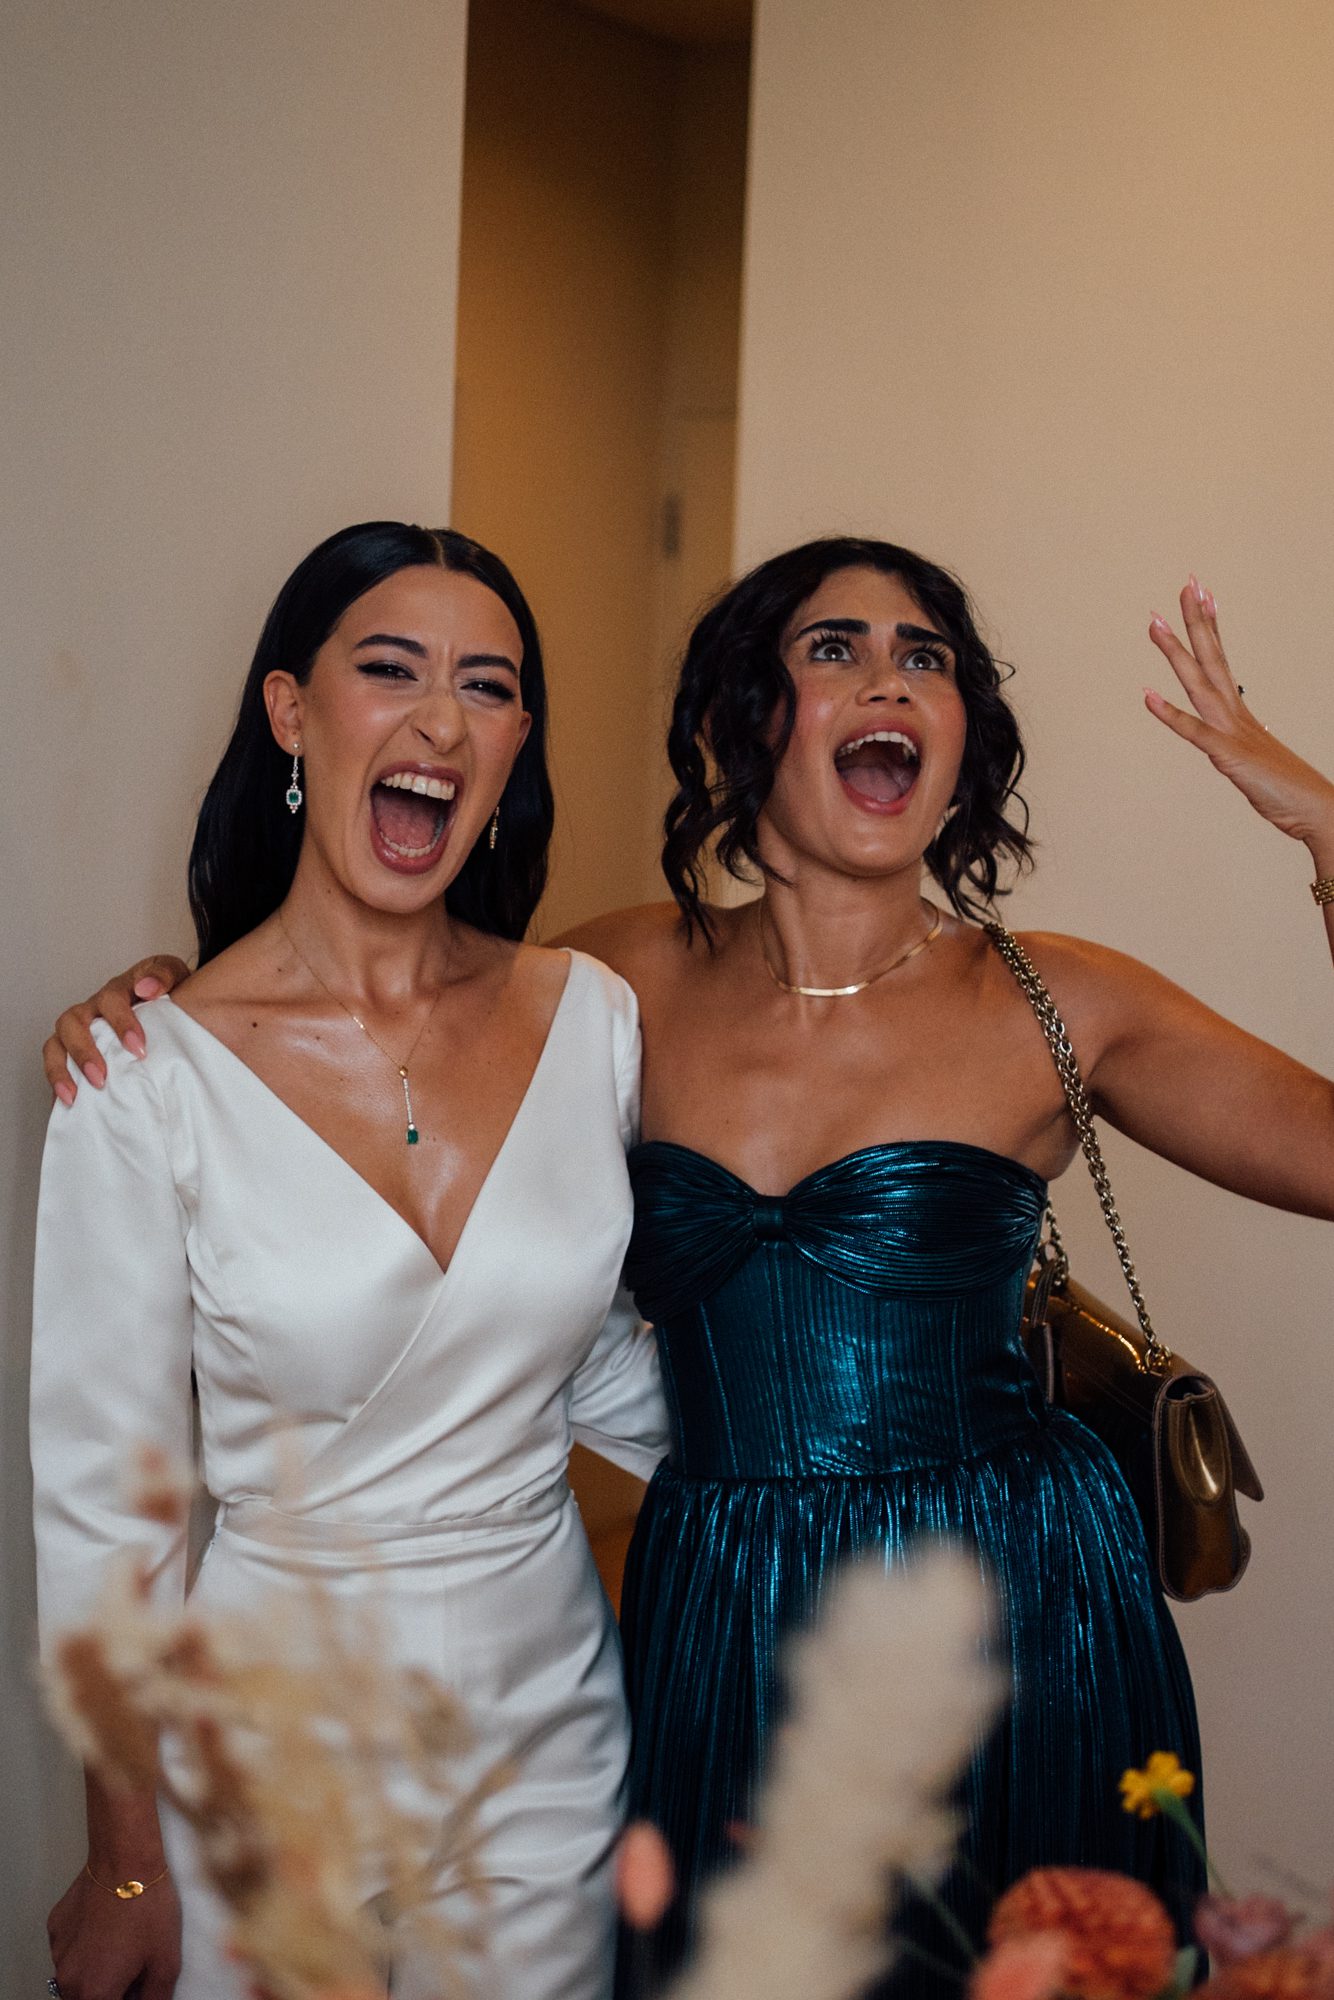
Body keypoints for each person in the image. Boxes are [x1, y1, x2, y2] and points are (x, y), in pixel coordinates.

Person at [47, 539, 1334, 1989]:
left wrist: (1327, 832)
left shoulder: (1062, 999)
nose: (889, 679)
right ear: (743, 721)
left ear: (960, 741)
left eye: (925, 659)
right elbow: (386, 1030)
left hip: (1010, 1604)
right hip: (728, 1611)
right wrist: (164, 1020)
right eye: (836, 648)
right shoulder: (610, 990)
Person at [31, 521, 667, 2000]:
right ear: (290, 711)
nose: (441, 720)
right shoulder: (143, 1077)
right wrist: (124, 1863)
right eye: (391, 669)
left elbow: (600, 1360)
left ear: (514, 747)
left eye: (487, 686)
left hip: (549, 1735)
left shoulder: (594, 1021)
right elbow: (107, 1513)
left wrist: (893, 1452)